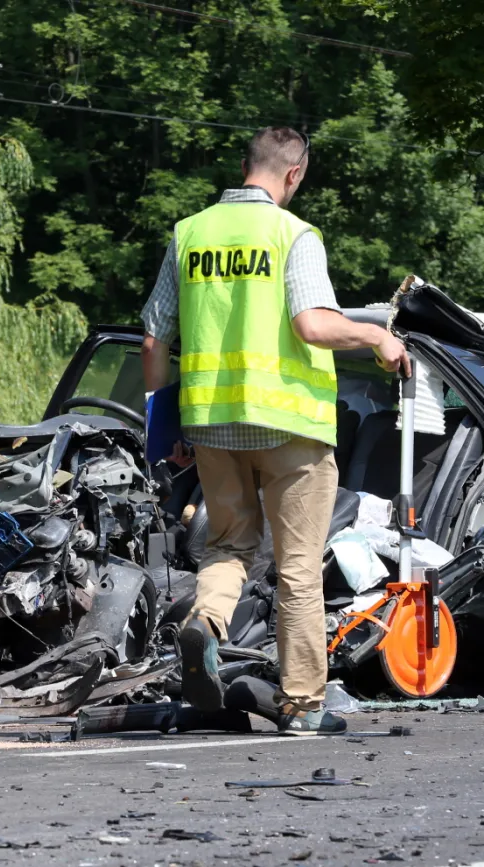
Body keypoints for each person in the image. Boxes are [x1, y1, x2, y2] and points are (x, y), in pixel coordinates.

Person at [139, 127, 411, 736]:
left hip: (211, 423)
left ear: (244, 167)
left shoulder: (191, 233)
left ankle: (205, 623)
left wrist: (166, 430)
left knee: (228, 547)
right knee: (297, 566)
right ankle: (302, 704)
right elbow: (313, 326)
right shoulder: (294, 235)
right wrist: (375, 336)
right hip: (290, 426)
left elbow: (154, 341)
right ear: (295, 175)